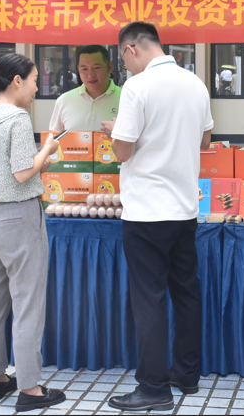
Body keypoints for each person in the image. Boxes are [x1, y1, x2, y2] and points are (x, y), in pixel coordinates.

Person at [104, 22, 213, 413]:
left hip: (147, 212)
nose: (125, 67)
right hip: (184, 209)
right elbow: (205, 140)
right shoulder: (195, 83)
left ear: (131, 49)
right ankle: (186, 375)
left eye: (123, 59)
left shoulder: (137, 87)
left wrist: (115, 131)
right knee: (186, 293)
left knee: (149, 299)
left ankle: (152, 388)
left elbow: (123, 151)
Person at [0, 53, 66, 413]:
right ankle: (30, 388)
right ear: (16, 81)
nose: (36, 88)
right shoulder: (17, 118)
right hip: (19, 218)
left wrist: (39, 158)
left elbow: (6, 169)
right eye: (34, 80)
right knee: (27, 304)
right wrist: (48, 149)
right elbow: (23, 173)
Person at [48, 45, 120, 133]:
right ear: (78, 69)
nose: (90, 75)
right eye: (84, 69)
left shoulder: (125, 98)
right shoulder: (64, 100)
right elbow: (54, 138)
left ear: (110, 67)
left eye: (96, 68)